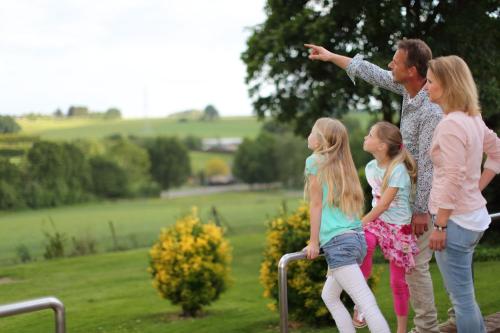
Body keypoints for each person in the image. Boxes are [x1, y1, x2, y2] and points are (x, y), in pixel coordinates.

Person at [305, 39, 442, 333]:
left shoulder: (431, 109)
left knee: (415, 271)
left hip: (419, 204)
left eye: (396, 61)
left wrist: (421, 211)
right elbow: (369, 71)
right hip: (400, 200)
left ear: (413, 69)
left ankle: (426, 328)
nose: (390, 65)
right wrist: (331, 56)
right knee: (396, 263)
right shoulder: (407, 91)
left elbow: (430, 165)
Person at [425, 55, 500, 333]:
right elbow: (497, 153)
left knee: (462, 301)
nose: (426, 87)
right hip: (471, 219)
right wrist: (475, 188)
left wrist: (440, 224)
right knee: (466, 298)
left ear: (446, 85)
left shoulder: (451, 124)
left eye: (431, 81)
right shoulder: (473, 119)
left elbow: (454, 175)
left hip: (454, 224)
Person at [304, 117, 390, 333]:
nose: (309, 135)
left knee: (366, 303)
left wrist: (313, 242)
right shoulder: (342, 164)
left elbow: (316, 205)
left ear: (320, 141)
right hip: (356, 240)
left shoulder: (314, 161)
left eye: (313, 131)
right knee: (329, 296)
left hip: (339, 243)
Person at [352, 121, 419, 333]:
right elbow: (375, 205)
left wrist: (361, 221)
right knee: (366, 244)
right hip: (378, 223)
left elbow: (383, 204)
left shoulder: (398, 170)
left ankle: (400, 329)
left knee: (397, 283)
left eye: (370, 134)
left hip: (398, 227)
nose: (365, 137)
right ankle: (360, 304)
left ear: (381, 146)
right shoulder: (371, 168)